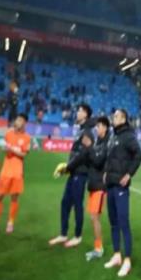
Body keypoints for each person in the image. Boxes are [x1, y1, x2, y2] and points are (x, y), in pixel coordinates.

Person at [103, 109, 141, 277]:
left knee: (123, 222)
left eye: (116, 116)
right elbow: (110, 158)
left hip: (120, 186)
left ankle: (127, 260)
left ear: (123, 119)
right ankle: (117, 255)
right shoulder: (114, 136)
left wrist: (129, 174)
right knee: (113, 223)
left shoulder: (128, 136)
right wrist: (106, 172)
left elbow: (139, 155)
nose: (114, 118)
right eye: (114, 116)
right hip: (110, 185)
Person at [49, 103, 94, 248]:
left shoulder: (87, 132)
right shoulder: (81, 131)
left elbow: (83, 154)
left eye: (80, 111)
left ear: (85, 114)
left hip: (80, 174)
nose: (77, 113)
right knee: (65, 203)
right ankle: (63, 234)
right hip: (74, 172)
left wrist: (68, 167)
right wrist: (69, 168)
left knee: (77, 204)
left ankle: (77, 236)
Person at [0, 113, 31, 233]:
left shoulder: (27, 137)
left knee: (14, 198)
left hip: (17, 171)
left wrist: (12, 149)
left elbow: (24, 154)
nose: (17, 122)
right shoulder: (8, 134)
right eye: (17, 120)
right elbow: (4, 149)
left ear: (24, 123)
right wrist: (5, 148)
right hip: (6, 170)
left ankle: (10, 222)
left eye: (20, 120)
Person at [85, 116, 110, 261]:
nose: (96, 128)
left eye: (99, 126)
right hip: (93, 184)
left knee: (95, 217)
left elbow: (98, 161)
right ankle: (97, 247)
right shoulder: (98, 142)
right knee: (93, 217)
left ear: (105, 127)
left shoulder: (106, 144)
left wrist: (89, 147)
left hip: (100, 186)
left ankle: (99, 248)